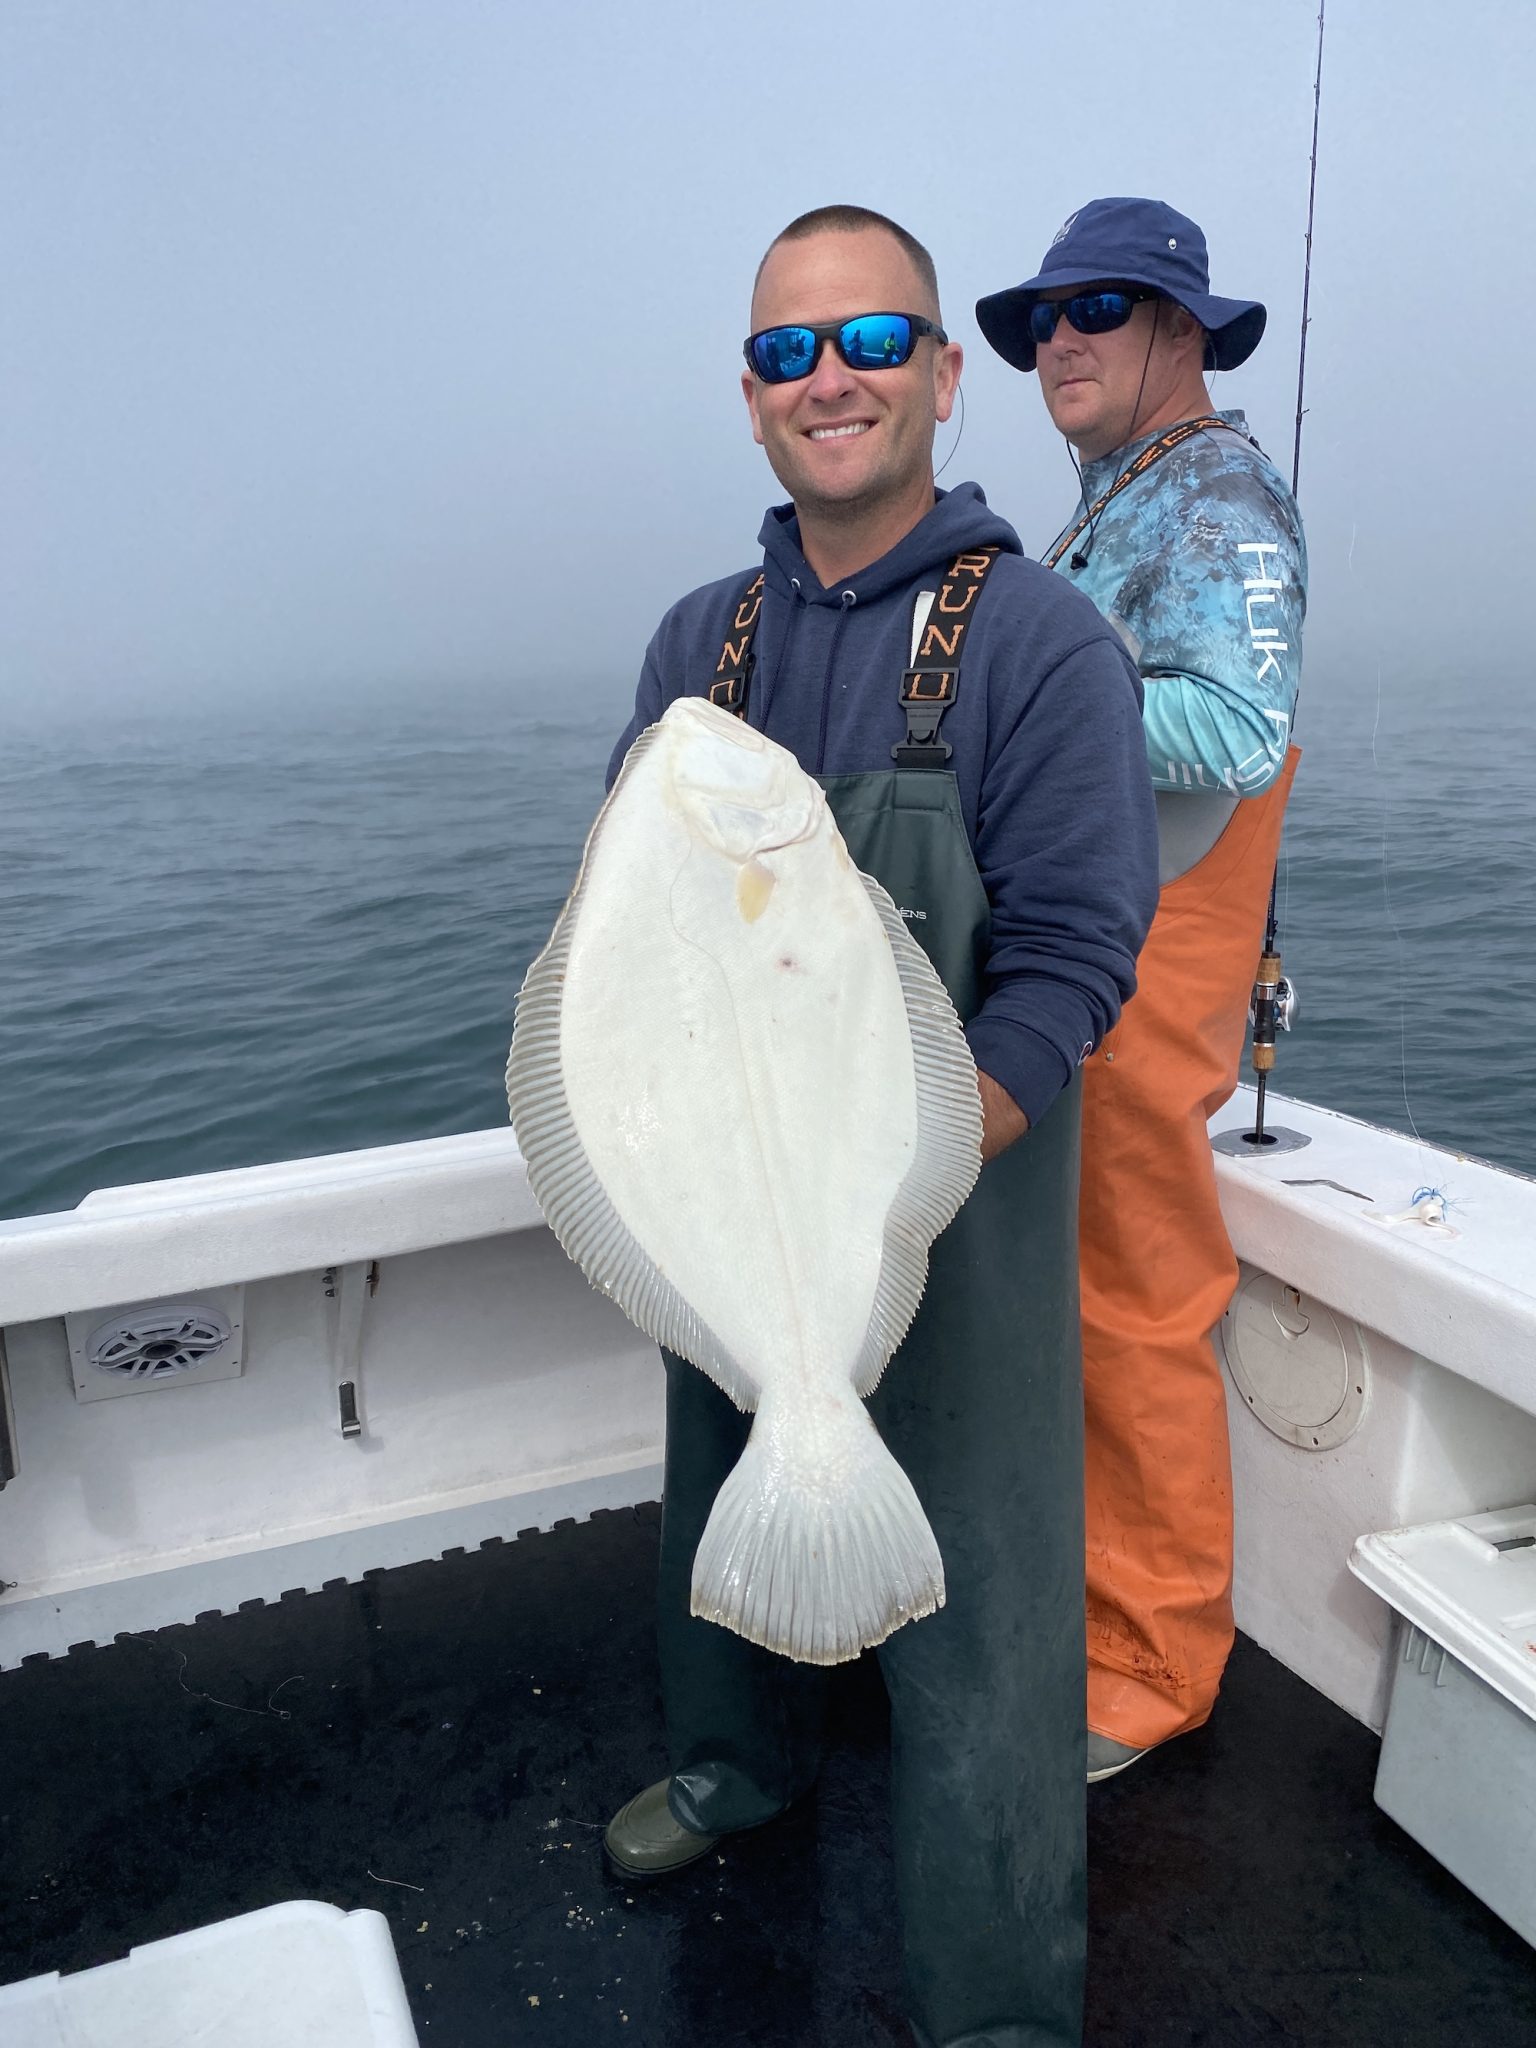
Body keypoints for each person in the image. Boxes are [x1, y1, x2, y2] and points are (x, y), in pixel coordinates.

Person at [600, 203, 1159, 2048]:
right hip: (728, 1191)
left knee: (989, 1595)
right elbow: (623, 937)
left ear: (939, 372)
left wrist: (909, 1178)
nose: (824, 377)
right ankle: (734, 1763)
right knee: (716, 1470)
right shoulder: (704, 639)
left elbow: (1078, 953)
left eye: (868, 340)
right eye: (784, 352)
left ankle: (997, 1996)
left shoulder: (1039, 640)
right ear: (749, 402)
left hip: (951, 1215)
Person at [976, 197, 1308, 1785]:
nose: (1061, 340)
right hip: (1081, 950)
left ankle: (1158, 1660)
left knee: (1138, 1307)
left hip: (1155, 961)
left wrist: (1030, 718)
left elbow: (1239, 732)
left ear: (1185, 332)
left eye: (1100, 309)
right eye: (1043, 317)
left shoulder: (1221, 494)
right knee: (1071, 1311)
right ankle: (1081, 1603)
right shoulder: (1120, 505)